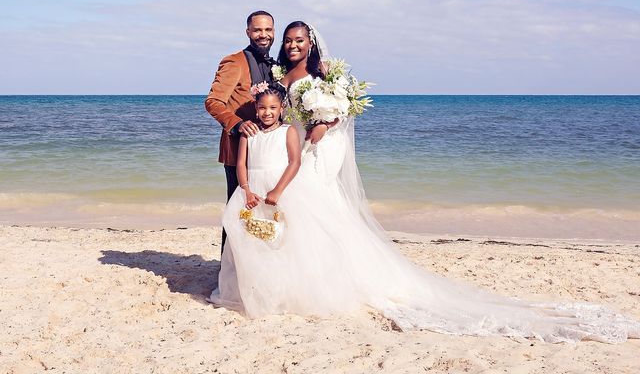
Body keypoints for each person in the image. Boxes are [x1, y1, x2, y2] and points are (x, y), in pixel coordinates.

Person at [210, 22, 640, 343]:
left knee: (320, 215)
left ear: (312, 44)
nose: (289, 44)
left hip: (312, 150)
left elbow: (333, 111)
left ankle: (329, 279)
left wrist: (328, 121)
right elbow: (259, 108)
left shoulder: (320, 77)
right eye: (286, 39)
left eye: (296, 39)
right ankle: (289, 279)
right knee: (307, 218)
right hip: (287, 149)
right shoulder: (271, 73)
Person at [205, 10, 276, 251]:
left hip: (268, 154)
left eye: (268, 30)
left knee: (264, 210)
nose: (263, 35)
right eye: (257, 30)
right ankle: (227, 269)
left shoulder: (275, 66)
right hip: (238, 151)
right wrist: (237, 123)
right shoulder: (233, 62)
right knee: (237, 210)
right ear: (248, 32)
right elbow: (213, 102)